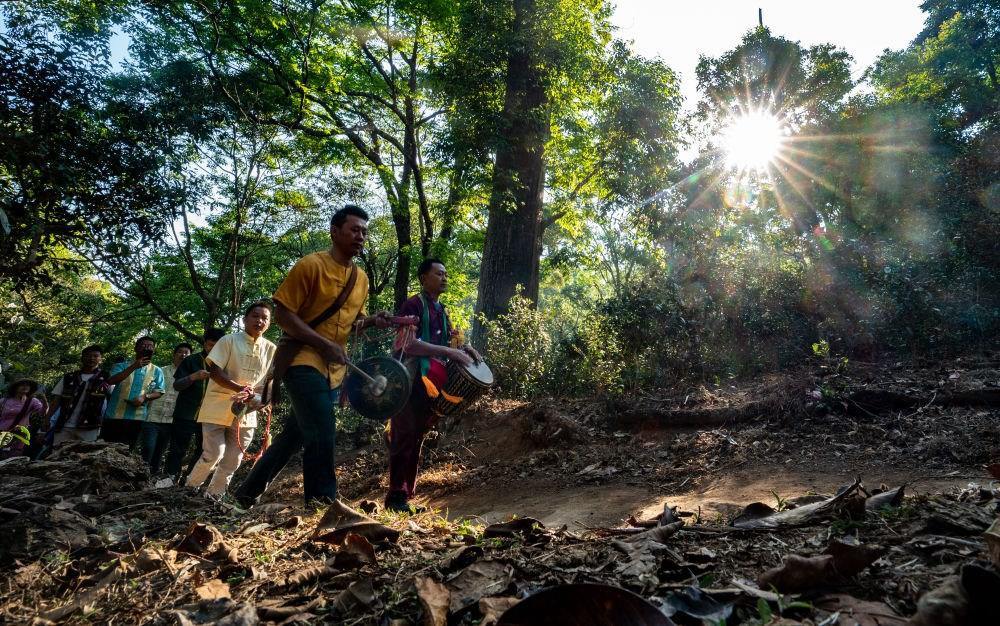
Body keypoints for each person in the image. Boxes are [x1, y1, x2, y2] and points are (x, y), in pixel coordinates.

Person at [234, 204, 389, 507]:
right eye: (354, 230)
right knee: (322, 427)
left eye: (364, 232)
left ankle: (244, 495)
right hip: (301, 359)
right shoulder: (310, 265)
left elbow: (353, 323)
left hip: (333, 368)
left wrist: (374, 321)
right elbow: (283, 315)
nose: (360, 236)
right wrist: (323, 343)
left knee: (295, 435)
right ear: (335, 232)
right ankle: (321, 503)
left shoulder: (361, 279)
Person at [386, 259, 481, 513]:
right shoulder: (413, 304)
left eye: (446, 274)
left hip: (430, 383)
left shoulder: (442, 310)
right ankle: (395, 497)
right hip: (408, 379)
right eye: (439, 274)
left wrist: (465, 349)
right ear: (423, 278)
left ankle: (405, 495)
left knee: (416, 437)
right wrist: (448, 353)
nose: (444, 278)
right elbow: (408, 345)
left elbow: (449, 342)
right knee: (404, 435)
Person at [185, 302, 276, 500]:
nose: (260, 321)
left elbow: (270, 382)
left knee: (233, 460)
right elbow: (215, 373)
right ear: (244, 319)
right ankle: (189, 490)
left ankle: (214, 497)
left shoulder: (271, 349)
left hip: (247, 412)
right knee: (213, 453)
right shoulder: (228, 340)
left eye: (265, 318)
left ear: (269, 323)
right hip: (217, 406)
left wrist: (263, 400)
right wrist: (241, 390)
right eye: (255, 316)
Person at [164, 329, 225, 481]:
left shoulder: (225, 363)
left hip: (210, 416)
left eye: (218, 346)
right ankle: (169, 479)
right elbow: (177, 385)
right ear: (204, 344)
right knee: (177, 448)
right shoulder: (191, 360)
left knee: (204, 450)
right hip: (185, 413)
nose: (213, 349)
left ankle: (189, 481)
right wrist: (193, 376)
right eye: (210, 345)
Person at [100, 336, 165, 447]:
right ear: (135, 348)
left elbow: (159, 391)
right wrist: (134, 366)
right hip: (114, 415)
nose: (147, 348)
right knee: (107, 448)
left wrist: (144, 397)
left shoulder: (157, 370)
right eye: (144, 345)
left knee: (127, 450)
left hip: (137, 418)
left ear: (154, 350)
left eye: (150, 346)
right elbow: (111, 381)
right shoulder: (120, 366)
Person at [138, 342, 192, 475]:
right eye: (180, 352)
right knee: (148, 448)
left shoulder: (191, 377)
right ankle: (139, 474)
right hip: (152, 417)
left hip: (171, 421)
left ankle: (151, 478)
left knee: (159, 452)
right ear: (174, 354)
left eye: (186, 353)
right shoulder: (161, 371)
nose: (183, 355)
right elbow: (148, 389)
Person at [45, 345, 112, 448]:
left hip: (90, 426)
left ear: (100, 359)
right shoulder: (69, 377)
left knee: (85, 455)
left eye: (95, 356)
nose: (91, 358)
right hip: (64, 425)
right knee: (58, 453)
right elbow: (56, 400)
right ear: (82, 358)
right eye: (88, 355)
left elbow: (113, 398)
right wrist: (47, 419)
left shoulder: (106, 378)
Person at [0, 379, 48, 459]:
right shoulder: (4, 401)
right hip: (2, 431)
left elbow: (42, 413)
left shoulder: (32, 401)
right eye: (22, 384)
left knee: (12, 457)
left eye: (27, 385)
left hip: (19, 434)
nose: (25, 386)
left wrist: (44, 401)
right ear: (15, 387)